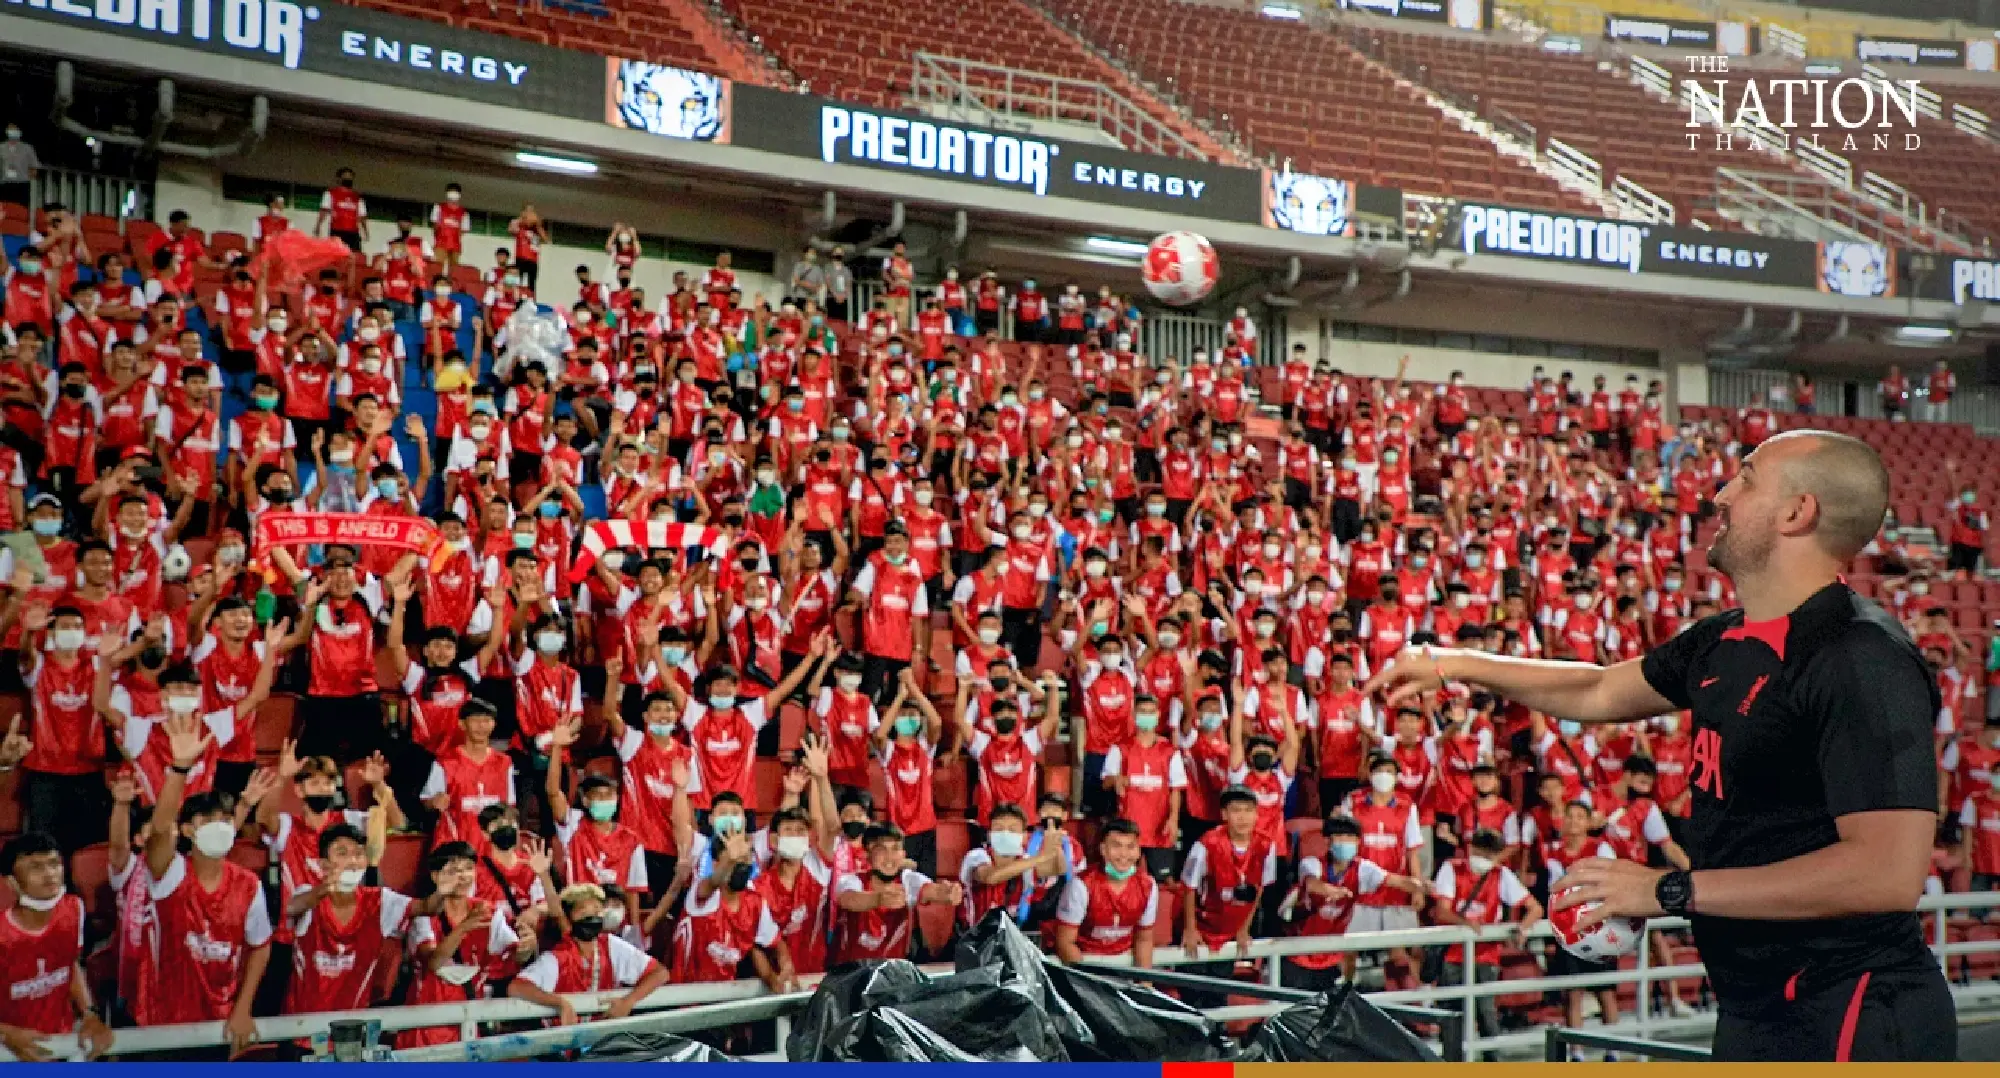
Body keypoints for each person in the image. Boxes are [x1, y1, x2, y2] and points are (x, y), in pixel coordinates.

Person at [1367, 430, 1954, 1061]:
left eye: (1747, 477)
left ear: (1796, 512)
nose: (1721, 493)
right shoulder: (1723, 638)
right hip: (1756, 1005)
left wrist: (1669, 890)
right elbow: (1597, 690)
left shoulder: (1861, 657)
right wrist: (1455, 663)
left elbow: (1885, 874)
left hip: (1853, 1011)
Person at [0, 833, 115, 1061]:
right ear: (11, 881)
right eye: (35, 867)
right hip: (11, 1051)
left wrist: (89, 1014)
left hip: (61, 1043)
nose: (49, 874)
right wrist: (7, 1034)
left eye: (54, 864)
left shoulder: (73, 909)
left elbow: (69, 963)